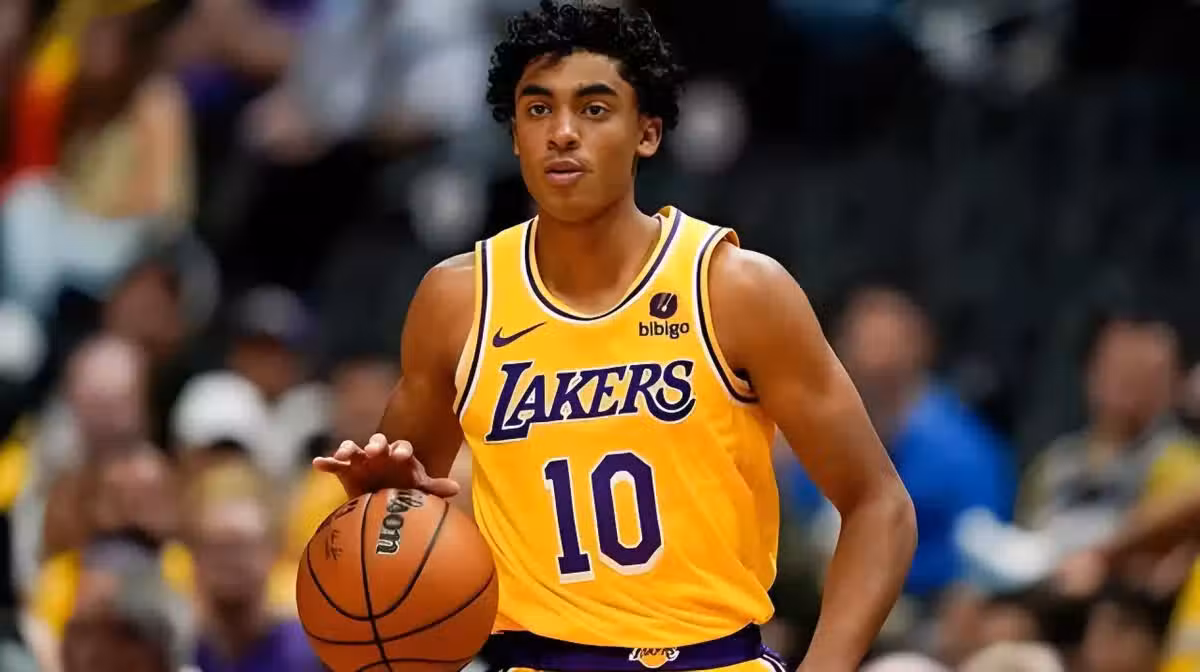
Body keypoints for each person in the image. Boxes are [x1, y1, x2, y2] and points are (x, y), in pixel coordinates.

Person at [314, 2, 917, 671]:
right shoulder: (457, 301)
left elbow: (879, 505)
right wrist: (379, 504)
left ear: (647, 132)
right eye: (537, 110)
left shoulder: (736, 289)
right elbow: (387, 543)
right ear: (514, 136)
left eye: (594, 109)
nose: (562, 133)